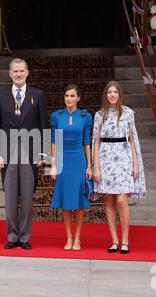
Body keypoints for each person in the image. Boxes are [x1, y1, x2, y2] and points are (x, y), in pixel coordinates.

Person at [0, 58, 48, 250]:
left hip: (29, 153)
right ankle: (12, 236)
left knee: (26, 198)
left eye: (21, 71)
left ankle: (24, 237)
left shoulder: (37, 95)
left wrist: (43, 153)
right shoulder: (0, 97)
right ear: (10, 73)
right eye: (15, 71)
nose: (18, 74)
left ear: (27, 72)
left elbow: (43, 126)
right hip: (7, 154)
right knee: (9, 198)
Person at [92, 81, 146, 254]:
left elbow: (133, 139)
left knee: (122, 201)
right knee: (108, 201)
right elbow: (96, 141)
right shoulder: (100, 115)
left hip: (124, 160)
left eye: (115, 92)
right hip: (105, 160)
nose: (112, 95)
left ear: (120, 94)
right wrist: (96, 167)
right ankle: (114, 240)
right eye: (109, 92)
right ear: (106, 95)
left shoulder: (128, 113)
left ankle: (125, 240)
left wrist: (136, 164)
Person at [50, 84, 93, 251]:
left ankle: (77, 238)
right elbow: (55, 142)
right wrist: (53, 165)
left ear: (78, 98)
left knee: (79, 201)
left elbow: (86, 142)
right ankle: (68, 237)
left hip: (79, 160)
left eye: (72, 96)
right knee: (66, 201)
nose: (69, 99)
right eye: (66, 95)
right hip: (62, 160)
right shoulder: (57, 116)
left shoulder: (85, 116)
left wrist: (89, 166)